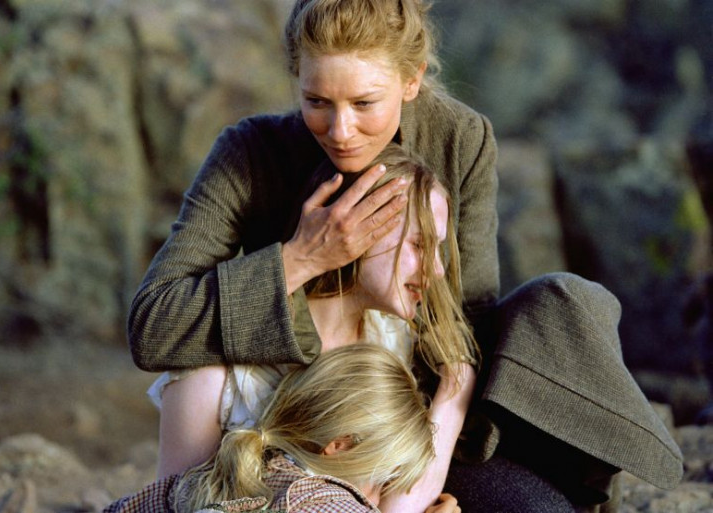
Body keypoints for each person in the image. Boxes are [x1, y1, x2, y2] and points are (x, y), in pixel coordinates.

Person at [128, 0, 683, 510]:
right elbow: (153, 326)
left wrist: (423, 451)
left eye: (365, 103)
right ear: (296, 79)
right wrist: (302, 258)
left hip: (414, 412)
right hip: (297, 409)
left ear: (411, 79)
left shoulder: (459, 139)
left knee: (561, 308)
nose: (340, 131)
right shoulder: (251, 152)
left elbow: (467, 316)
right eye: (316, 102)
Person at [149, 144, 477, 513]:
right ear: (356, 226)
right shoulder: (214, 371)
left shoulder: (392, 341)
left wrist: (454, 394)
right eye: (419, 244)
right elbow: (168, 506)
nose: (436, 270)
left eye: (438, 249)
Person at [106, 344, 461, 512]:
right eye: (382, 480)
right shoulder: (328, 503)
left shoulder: (206, 477)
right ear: (339, 446)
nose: (380, 499)